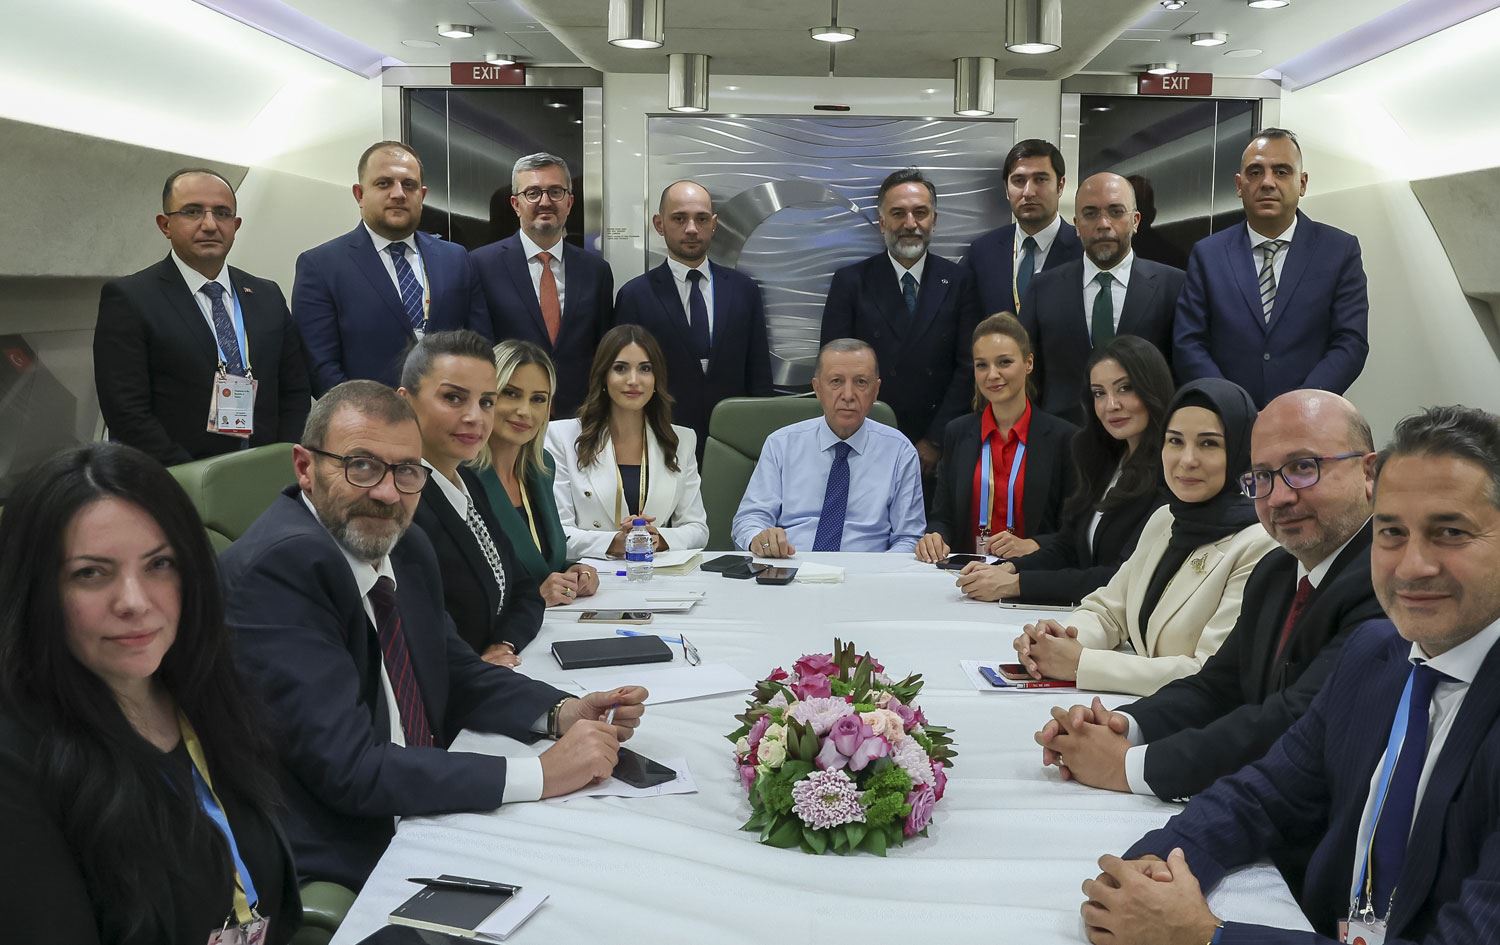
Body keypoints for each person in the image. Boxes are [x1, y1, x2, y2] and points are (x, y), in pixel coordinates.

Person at [1084, 406, 1500, 945]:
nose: (1411, 566)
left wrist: (1206, 937)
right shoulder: (1376, 654)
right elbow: (1264, 793)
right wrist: (1157, 867)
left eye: (1450, 532)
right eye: (1392, 532)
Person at [217, 381, 648, 889]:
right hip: (352, 845)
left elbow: (455, 671)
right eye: (361, 466)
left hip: (427, 804)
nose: (386, 493)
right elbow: (350, 770)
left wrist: (562, 711)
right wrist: (542, 774)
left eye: (406, 471)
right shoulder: (279, 572)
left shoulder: (406, 545)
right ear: (305, 467)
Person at [0, 443, 300, 944]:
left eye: (159, 564)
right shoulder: (15, 767)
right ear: (37, 592)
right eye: (90, 573)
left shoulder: (200, 688)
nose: (135, 602)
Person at [1037, 389, 1383, 803]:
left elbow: (1296, 719)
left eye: (1304, 468)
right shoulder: (1276, 571)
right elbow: (1217, 687)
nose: (1280, 497)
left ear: (1369, 473)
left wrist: (1128, 765)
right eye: (1263, 476)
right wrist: (1120, 725)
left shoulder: (1384, 584)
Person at [1011, 378, 1276, 696]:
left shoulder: (1260, 544)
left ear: (1242, 451)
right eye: (1175, 441)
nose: (1187, 459)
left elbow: (1208, 672)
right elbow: (1110, 611)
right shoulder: (1166, 519)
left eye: (1208, 444)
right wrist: (1057, 639)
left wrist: (1081, 664)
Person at [94, 168, 310, 465]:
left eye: (222, 213)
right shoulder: (130, 298)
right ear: (165, 225)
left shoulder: (267, 295)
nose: (209, 225)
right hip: (177, 477)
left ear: (235, 225)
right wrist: (191, 477)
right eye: (192, 211)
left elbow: (295, 390)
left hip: (265, 472)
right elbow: (125, 411)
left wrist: (282, 460)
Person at [954, 336, 1174, 605]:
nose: (1111, 405)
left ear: (1152, 389)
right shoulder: (1104, 462)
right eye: (1099, 393)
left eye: (1125, 388)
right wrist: (1007, 568)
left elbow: (1121, 577)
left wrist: (1016, 585)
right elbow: (1069, 547)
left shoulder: (1170, 473)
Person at [1172, 128, 1369, 408]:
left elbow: (1350, 343)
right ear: (1239, 185)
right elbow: (1189, 343)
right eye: (1255, 172)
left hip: (1310, 418)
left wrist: (1297, 407)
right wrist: (1231, 405)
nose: (1267, 182)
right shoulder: (1208, 255)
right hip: (1228, 419)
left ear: (1302, 183)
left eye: (1281, 171)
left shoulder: (1339, 251)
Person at [292, 141, 490, 395]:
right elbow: (320, 367)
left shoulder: (456, 259)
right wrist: (367, 414)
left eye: (409, 185)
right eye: (384, 183)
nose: (398, 194)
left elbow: (480, 348)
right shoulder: (321, 266)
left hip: (452, 413)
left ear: (422, 195)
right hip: (366, 415)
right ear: (359, 194)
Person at [820, 167, 982, 477]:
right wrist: (863, 436)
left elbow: (969, 367)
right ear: (882, 222)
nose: (910, 223)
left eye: (920, 212)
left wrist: (935, 441)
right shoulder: (850, 283)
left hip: (938, 450)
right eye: (898, 213)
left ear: (934, 219)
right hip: (866, 442)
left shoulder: (960, 282)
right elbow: (834, 370)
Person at [397, 331, 544, 664]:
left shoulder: (471, 483)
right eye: (453, 398)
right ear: (405, 402)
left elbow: (525, 591)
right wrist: (479, 669)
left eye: (487, 402)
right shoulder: (400, 500)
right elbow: (423, 637)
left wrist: (504, 644)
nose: (475, 417)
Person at [614, 180, 774, 455]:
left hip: (735, 444)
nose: (691, 228)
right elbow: (625, 378)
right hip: (661, 441)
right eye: (679, 218)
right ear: (659, 224)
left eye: (701, 219)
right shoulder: (635, 296)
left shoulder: (744, 290)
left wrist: (761, 440)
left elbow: (758, 374)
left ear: (714, 224)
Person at [1018, 172, 1184, 427]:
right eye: (1091, 213)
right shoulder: (1042, 290)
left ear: (1135, 221)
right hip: (1063, 440)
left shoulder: (1174, 286)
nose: (1104, 223)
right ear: (1076, 225)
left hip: (1145, 440)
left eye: (1116, 212)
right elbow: (1027, 375)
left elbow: (1181, 373)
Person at [733, 339, 925, 556]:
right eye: (836, 381)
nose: (848, 395)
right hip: (791, 565)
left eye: (861, 382)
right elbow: (749, 519)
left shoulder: (900, 452)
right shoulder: (781, 444)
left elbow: (908, 537)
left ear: (876, 390)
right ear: (817, 388)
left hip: (867, 571)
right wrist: (761, 539)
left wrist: (879, 572)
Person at [915, 313, 1078, 563]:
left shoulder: (1064, 438)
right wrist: (935, 537)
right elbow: (942, 517)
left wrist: (1033, 545)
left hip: (1031, 573)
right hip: (966, 572)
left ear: (1028, 363)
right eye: (982, 365)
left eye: (1004, 362)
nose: (992, 374)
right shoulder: (957, 432)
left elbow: (1075, 530)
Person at [471, 152, 614, 418]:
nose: (545, 202)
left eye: (555, 192)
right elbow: (480, 350)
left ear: (569, 202)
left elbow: (604, 351)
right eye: (533, 193)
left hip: (579, 416)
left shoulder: (596, 271)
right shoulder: (481, 265)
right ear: (515, 204)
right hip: (509, 414)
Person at [547, 325, 709, 558]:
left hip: (657, 572)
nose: (633, 380)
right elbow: (557, 534)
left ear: (656, 379)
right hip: (591, 572)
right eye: (620, 368)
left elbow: (698, 529)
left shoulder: (682, 440)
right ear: (603, 376)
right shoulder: (561, 436)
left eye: (645, 369)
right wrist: (614, 542)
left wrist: (658, 539)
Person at [473, 340, 600, 607]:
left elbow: (538, 562)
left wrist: (573, 570)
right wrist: (535, 597)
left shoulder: (542, 468)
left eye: (538, 399)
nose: (525, 411)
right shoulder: (462, 476)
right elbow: (465, 588)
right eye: (510, 393)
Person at [962, 138, 1084, 317]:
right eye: (1019, 180)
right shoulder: (982, 252)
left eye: (1040, 179)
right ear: (1006, 189)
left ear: (1060, 186)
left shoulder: (1084, 250)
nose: (1028, 192)